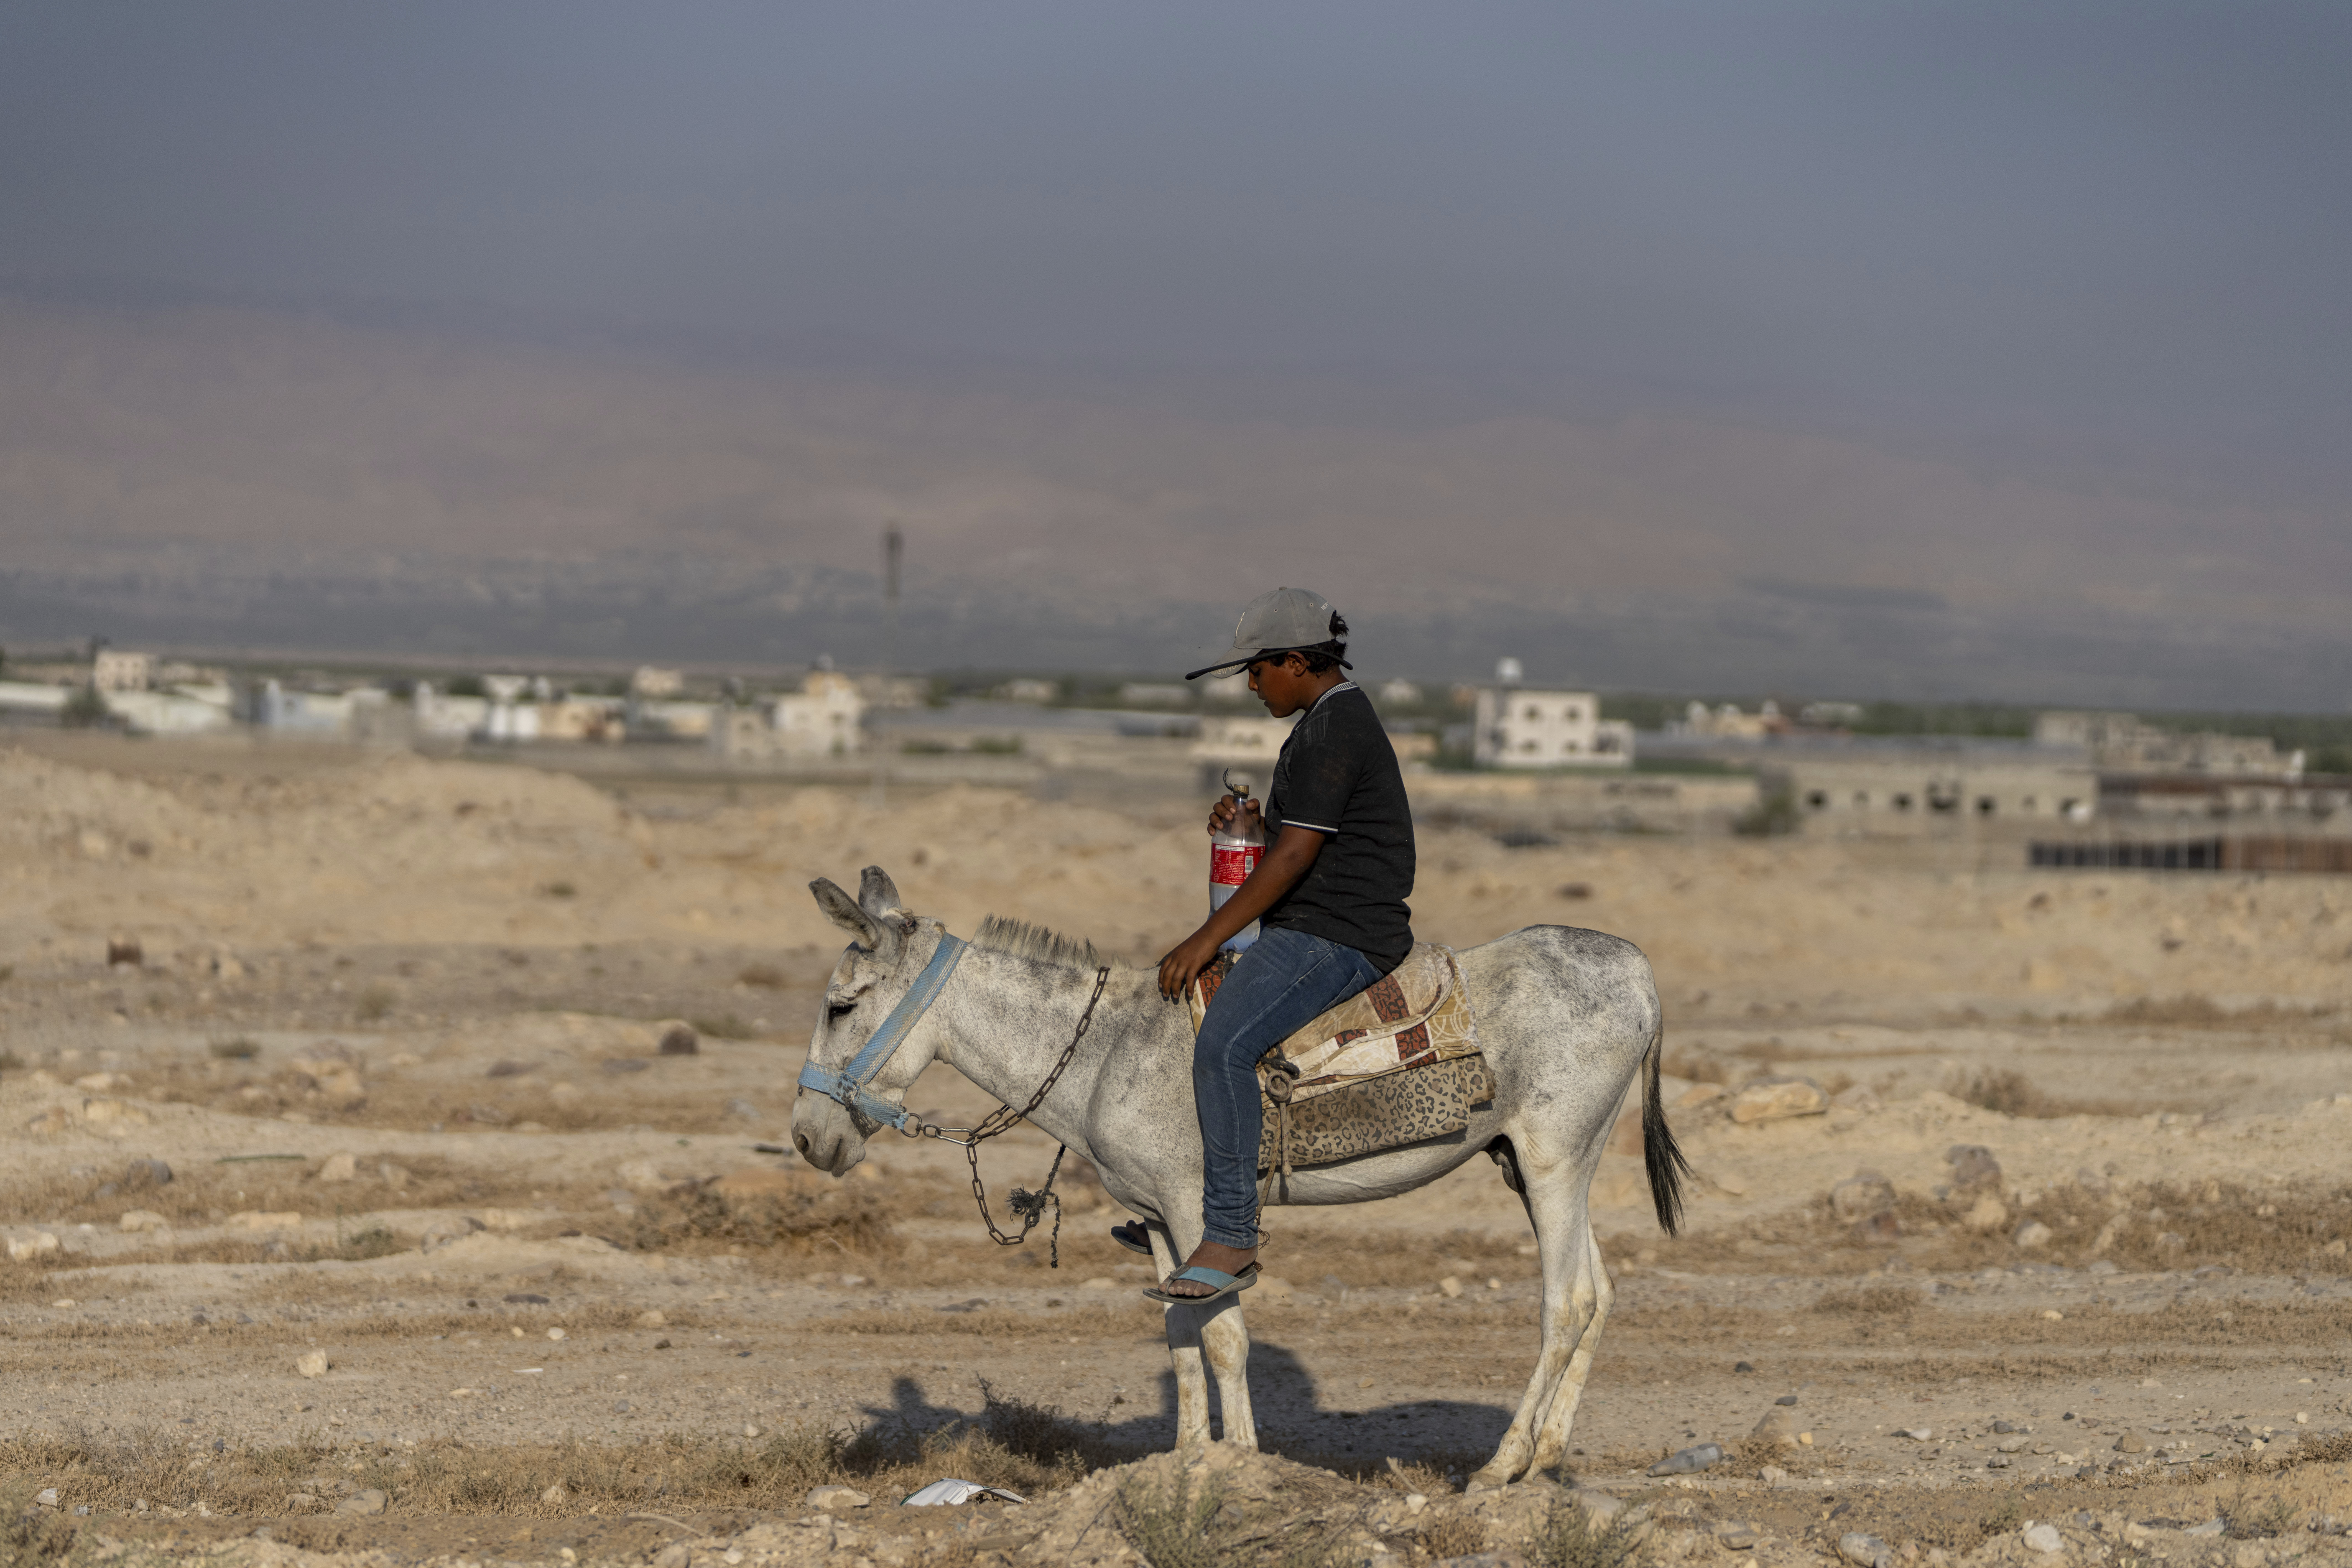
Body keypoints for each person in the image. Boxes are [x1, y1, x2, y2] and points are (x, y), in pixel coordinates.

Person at [1138, 587, 1417, 1303]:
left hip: (1341, 932)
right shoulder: (1323, 724)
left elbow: (1295, 863)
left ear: (1297, 661)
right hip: (1315, 918)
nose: (1252, 685)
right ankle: (1178, 1197)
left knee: (1224, 1047)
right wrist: (1252, 831)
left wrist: (1205, 938)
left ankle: (1231, 1235)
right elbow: (1299, 844)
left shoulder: (1334, 730)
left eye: (1257, 671)